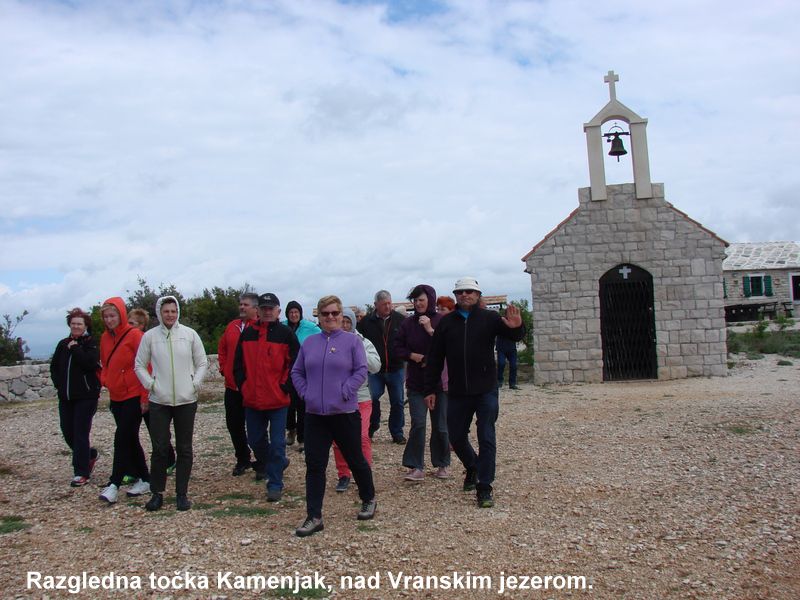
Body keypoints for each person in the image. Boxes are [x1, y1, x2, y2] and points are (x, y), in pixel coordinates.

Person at [423, 277, 524, 509]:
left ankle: (485, 486)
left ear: (478, 295)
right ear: (456, 295)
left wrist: (518, 325)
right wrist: (430, 389)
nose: (465, 295)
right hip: (458, 391)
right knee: (456, 437)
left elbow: (514, 336)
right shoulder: (446, 324)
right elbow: (436, 358)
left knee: (486, 435)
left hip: (486, 389)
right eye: (460, 292)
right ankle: (472, 466)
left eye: (470, 291)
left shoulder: (489, 319)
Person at [291, 295, 377, 537]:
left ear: (341, 316)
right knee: (315, 465)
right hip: (315, 414)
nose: (330, 317)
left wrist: (346, 391)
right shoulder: (309, 343)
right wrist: (306, 393)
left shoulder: (352, 342)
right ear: (318, 316)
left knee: (355, 459)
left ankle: (368, 498)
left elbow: (361, 370)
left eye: (334, 313)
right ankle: (314, 516)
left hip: (344, 412)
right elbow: (297, 371)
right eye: (325, 313)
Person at [135, 296, 207, 511]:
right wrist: (151, 385)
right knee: (159, 448)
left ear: (178, 312)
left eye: (173, 311)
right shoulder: (149, 337)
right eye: (166, 311)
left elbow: (202, 362)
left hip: (186, 399)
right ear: (159, 312)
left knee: (185, 448)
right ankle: (157, 492)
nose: (170, 315)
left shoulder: (189, 335)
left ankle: (181, 493)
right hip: (160, 400)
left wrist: (195, 384)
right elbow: (139, 365)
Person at [233, 293, 298, 502]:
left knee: (278, 442)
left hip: (277, 400)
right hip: (252, 399)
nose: (268, 311)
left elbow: (296, 363)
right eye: (264, 308)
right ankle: (277, 462)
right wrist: (244, 385)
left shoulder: (286, 333)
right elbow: (238, 364)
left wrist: (285, 386)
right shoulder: (248, 333)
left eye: (271, 308)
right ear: (258, 310)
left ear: (278, 310)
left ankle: (275, 483)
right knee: (255, 440)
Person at [393, 285, 450, 482]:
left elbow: (449, 345)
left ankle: (442, 463)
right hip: (416, 382)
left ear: (431, 300)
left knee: (440, 426)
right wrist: (411, 356)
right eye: (415, 300)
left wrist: (430, 329)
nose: (418, 304)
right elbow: (397, 347)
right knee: (418, 423)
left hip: (439, 383)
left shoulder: (442, 321)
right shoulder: (407, 324)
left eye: (421, 300)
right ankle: (416, 466)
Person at [98, 297, 150, 503]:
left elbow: (146, 364)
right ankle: (145, 478)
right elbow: (104, 362)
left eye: (113, 315)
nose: (109, 320)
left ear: (120, 315)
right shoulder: (104, 338)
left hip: (134, 394)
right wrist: (105, 379)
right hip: (116, 395)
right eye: (106, 317)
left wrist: (146, 395)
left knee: (121, 438)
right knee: (129, 438)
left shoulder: (134, 335)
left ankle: (114, 484)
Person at [50, 308, 101, 487]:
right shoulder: (63, 343)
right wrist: (59, 384)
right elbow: (54, 366)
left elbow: (89, 363)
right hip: (66, 396)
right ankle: (88, 455)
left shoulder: (90, 343)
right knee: (67, 430)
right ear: (69, 325)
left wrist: (77, 349)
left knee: (80, 432)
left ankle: (81, 472)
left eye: (79, 324)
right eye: (73, 323)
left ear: (85, 325)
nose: (76, 326)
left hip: (86, 396)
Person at [332, 307, 381, 492]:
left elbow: (376, 366)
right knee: (338, 440)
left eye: (347, 322)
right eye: (341, 321)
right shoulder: (330, 342)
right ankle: (343, 474)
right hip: (336, 398)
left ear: (353, 323)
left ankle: (364, 474)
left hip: (361, 396)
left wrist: (358, 350)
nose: (344, 325)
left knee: (361, 437)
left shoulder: (363, 342)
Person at [127, 308, 176, 478]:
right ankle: (134, 469)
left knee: (157, 433)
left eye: (132, 323)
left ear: (141, 325)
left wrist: (146, 394)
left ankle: (168, 461)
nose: (129, 326)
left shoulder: (143, 340)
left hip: (146, 393)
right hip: (130, 393)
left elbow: (147, 367)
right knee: (130, 433)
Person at [218, 292, 260, 476]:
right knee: (234, 425)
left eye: (246, 305)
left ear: (255, 308)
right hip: (232, 386)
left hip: (252, 387)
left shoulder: (261, 327)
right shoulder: (232, 326)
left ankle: (262, 460)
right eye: (241, 304)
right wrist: (223, 368)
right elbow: (223, 348)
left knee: (255, 426)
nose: (242, 307)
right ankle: (242, 458)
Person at [357, 290, 406, 443]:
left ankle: (397, 432)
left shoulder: (400, 320)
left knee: (397, 401)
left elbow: (406, 340)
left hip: (396, 367)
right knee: (372, 397)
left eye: (389, 303)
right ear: (375, 305)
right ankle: (372, 425)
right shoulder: (365, 323)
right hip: (374, 370)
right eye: (384, 304)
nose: (387, 306)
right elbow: (359, 342)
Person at [281, 300, 320, 451]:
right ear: (287, 314)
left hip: (305, 371)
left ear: (300, 313)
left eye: (296, 312)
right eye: (291, 312)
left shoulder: (310, 327)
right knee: (288, 404)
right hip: (286, 371)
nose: (294, 314)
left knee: (303, 404)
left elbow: (322, 337)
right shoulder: (282, 327)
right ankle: (291, 429)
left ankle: (302, 438)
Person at [496, 326, 520, 390]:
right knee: (501, 364)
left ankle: (512, 383)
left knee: (513, 365)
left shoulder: (513, 323)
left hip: (512, 348)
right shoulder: (499, 322)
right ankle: (499, 381)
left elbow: (518, 334)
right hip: (501, 348)